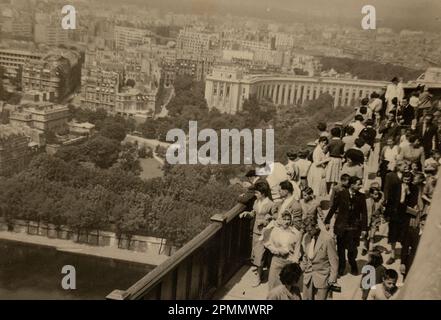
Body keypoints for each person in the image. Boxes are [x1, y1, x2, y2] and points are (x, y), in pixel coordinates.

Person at [325, 176, 368, 276]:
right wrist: (327, 221)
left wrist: (364, 228)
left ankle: (353, 265)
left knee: (352, 249)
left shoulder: (361, 196)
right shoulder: (341, 194)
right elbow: (333, 208)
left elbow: (364, 213)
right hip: (341, 227)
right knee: (340, 248)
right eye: (358, 184)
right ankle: (342, 267)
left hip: (354, 228)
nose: (360, 186)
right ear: (352, 185)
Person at [239, 182, 274, 287]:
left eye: (257, 192)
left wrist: (265, 221)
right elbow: (254, 213)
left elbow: (274, 219)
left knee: (260, 255)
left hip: (264, 233)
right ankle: (260, 272)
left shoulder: (270, 204)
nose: (255, 194)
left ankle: (258, 277)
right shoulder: (257, 201)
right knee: (256, 253)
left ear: (263, 193)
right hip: (255, 231)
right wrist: (247, 214)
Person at [300, 215, 338, 300]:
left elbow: (334, 261)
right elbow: (306, 257)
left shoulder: (327, 239)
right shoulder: (307, 237)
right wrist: (299, 271)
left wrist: (332, 278)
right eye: (306, 231)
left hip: (322, 278)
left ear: (316, 226)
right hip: (308, 277)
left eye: (309, 230)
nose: (308, 233)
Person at [264, 211, 303, 291]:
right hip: (276, 261)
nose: (287, 221)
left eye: (288, 219)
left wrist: (294, 263)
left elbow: (297, 250)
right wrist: (277, 251)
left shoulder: (296, 233)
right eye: (284, 219)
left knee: (287, 288)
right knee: (273, 286)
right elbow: (269, 244)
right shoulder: (275, 231)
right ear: (280, 220)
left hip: (288, 262)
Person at [383, 162, 409, 265]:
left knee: (404, 231)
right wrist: (387, 208)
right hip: (394, 208)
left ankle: (404, 253)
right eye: (404, 166)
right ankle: (392, 255)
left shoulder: (408, 176)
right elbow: (386, 190)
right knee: (393, 232)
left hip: (404, 209)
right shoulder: (390, 176)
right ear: (398, 166)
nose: (406, 167)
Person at [362, 186, 384, 255]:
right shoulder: (366, 201)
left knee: (372, 236)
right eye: (375, 194)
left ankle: (370, 250)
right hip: (367, 220)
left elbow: (383, 198)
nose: (377, 196)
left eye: (377, 194)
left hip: (375, 221)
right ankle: (365, 247)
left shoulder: (379, 202)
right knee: (365, 235)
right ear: (370, 194)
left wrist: (380, 192)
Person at [325, 127, 345, 193]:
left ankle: (328, 191)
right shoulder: (342, 142)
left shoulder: (330, 142)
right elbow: (342, 152)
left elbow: (325, 150)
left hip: (331, 159)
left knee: (329, 175)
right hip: (338, 159)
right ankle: (335, 192)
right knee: (337, 175)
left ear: (332, 134)